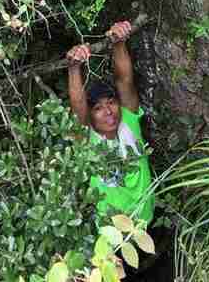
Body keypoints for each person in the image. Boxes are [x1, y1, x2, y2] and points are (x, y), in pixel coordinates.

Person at [66, 20, 155, 226]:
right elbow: (78, 105)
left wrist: (118, 42)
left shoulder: (128, 121)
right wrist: (74, 68)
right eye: (97, 108)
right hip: (112, 237)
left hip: (145, 222)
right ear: (89, 115)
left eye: (111, 102)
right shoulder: (88, 141)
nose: (108, 111)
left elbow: (125, 80)